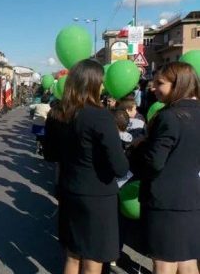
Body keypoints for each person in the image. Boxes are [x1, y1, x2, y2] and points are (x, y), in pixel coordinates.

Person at [43, 59, 129, 274]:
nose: (103, 86)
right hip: (97, 197)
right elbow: (119, 167)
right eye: (101, 82)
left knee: (72, 256)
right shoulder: (100, 116)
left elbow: (50, 154)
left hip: (69, 190)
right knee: (93, 262)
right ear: (91, 83)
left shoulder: (57, 114)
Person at [137, 62, 200, 273]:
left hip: (165, 202)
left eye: (160, 83)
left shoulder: (170, 116)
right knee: (187, 261)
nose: (153, 88)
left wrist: (139, 149)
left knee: (164, 263)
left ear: (178, 84)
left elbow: (154, 162)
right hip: (192, 199)